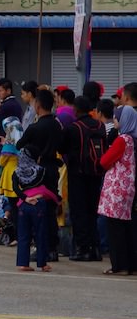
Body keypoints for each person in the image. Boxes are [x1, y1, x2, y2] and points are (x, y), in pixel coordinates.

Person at [15, 89, 63, 262]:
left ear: (38, 105)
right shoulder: (57, 125)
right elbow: (62, 146)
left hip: (36, 173)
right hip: (52, 169)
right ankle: (52, 248)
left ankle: (42, 248)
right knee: (50, 208)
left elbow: (19, 145)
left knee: (38, 209)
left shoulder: (35, 128)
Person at [60, 96, 106, 261]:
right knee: (93, 212)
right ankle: (96, 248)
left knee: (79, 212)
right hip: (96, 173)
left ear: (76, 110)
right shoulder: (100, 126)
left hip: (78, 174)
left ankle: (83, 249)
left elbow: (61, 147)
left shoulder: (74, 128)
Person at [97, 106, 137, 275]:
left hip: (117, 187)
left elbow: (104, 161)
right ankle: (131, 265)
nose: (114, 120)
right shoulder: (132, 139)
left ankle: (119, 265)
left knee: (115, 228)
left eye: (116, 118)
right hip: (128, 187)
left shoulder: (122, 140)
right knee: (126, 227)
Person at [12, 149, 58, 272]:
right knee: (41, 233)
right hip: (38, 202)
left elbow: (15, 188)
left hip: (23, 204)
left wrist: (25, 198)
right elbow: (49, 186)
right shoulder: (41, 171)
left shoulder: (17, 172)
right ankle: (42, 263)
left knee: (23, 234)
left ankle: (23, 263)